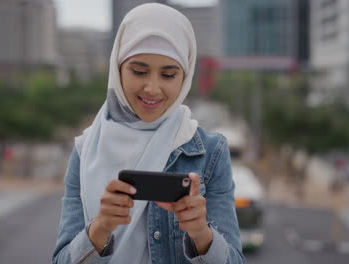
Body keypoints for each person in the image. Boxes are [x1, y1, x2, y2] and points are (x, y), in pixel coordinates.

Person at [52, 3, 245, 264]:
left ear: (184, 77)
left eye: (168, 74)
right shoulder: (85, 151)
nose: (152, 88)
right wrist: (100, 227)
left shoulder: (211, 152)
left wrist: (201, 234)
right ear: (117, 69)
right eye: (139, 71)